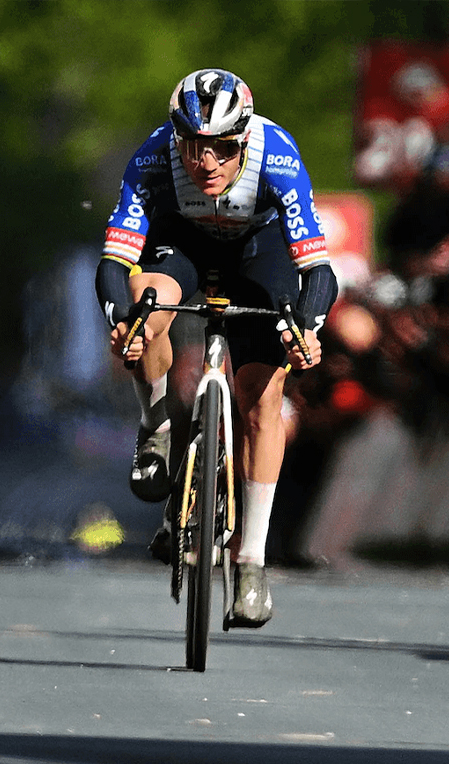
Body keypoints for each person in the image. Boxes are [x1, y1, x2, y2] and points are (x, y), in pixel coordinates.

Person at [96, 68, 336, 627]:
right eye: (193, 147)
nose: (206, 163)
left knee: (260, 396)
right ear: (174, 136)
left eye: (223, 149)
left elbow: (318, 271)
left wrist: (308, 325)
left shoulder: (276, 156)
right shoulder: (152, 159)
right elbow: (112, 263)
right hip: (180, 242)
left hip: (260, 249)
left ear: (245, 139)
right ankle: (155, 422)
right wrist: (122, 320)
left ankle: (251, 561)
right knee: (145, 305)